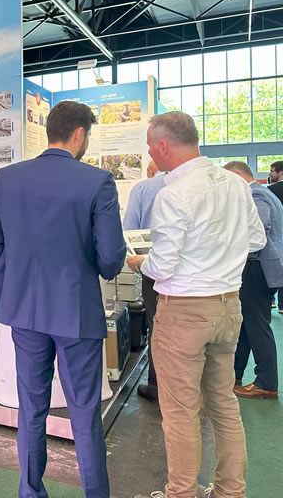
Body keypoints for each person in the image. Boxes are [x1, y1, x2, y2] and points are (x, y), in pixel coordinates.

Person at [0, 100, 126, 498]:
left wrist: (18, 278)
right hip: (76, 312)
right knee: (84, 413)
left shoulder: (8, 178)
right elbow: (111, 258)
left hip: (25, 311)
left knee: (31, 408)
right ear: (79, 134)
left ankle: (30, 492)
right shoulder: (97, 181)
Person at [127, 112, 265, 498]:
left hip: (184, 313)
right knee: (223, 403)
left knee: (180, 412)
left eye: (150, 146)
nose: (149, 152)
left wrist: (139, 262)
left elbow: (162, 266)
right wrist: (219, 250)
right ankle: (229, 492)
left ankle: (181, 493)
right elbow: (256, 240)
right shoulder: (235, 184)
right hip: (227, 307)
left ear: (164, 146)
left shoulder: (173, 193)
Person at [223, 161, 281, 399]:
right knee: (247, 325)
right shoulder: (263, 193)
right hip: (259, 267)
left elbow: (259, 231)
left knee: (257, 326)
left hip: (258, 267)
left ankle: (266, 382)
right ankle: (235, 374)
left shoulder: (256, 195)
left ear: (237, 175)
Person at [122, 160, 167, 403]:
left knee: (157, 326)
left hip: (154, 269)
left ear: (150, 171)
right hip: (200, 276)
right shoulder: (209, 184)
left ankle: (157, 387)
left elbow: (129, 229)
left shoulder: (144, 188)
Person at [267, 161, 283, 313]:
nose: (269, 173)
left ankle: (270, 299)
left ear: (281, 173)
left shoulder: (270, 192)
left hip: (275, 235)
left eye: (272, 171)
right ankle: (282, 304)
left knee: (273, 266)